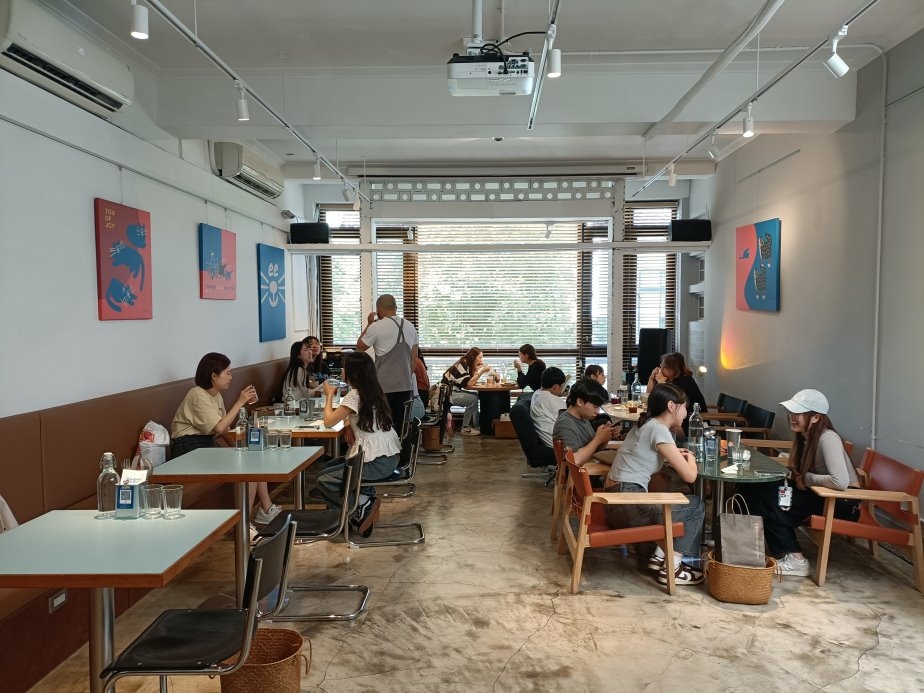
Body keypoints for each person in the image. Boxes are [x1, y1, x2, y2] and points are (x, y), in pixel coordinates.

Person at [737, 389, 860, 577]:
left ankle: (796, 560)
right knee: (755, 487)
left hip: (843, 502)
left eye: (799, 413)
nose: (792, 417)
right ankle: (746, 544)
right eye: (791, 412)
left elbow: (840, 482)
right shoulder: (805, 437)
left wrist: (806, 478)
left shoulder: (828, 438)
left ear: (816, 418)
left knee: (773, 500)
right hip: (820, 494)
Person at [603, 383, 706, 586]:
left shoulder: (645, 424)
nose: (686, 413)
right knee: (695, 505)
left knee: (676, 498)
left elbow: (647, 453)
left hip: (616, 502)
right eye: (684, 407)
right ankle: (672, 566)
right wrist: (692, 458)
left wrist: (675, 453)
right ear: (671, 406)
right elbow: (690, 477)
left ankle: (661, 555)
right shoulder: (659, 429)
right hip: (628, 504)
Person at [171, 352, 280, 527]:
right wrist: (240, 402)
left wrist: (240, 451)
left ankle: (266, 509)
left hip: (205, 446)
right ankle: (243, 525)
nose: (231, 377)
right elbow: (219, 428)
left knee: (252, 460)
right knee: (249, 468)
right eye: (227, 373)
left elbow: (226, 431)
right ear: (213, 376)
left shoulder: (216, 396)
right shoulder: (197, 394)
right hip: (188, 450)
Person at [316, 351, 403, 536]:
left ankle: (361, 506)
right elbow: (354, 415)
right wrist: (348, 424)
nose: (341, 371)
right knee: (328, 469)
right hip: (387, 458)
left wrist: (329, 395)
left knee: (324, 480)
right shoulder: (373, 391)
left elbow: (329, 421)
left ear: (353, 373)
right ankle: (359, 505)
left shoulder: (354, 395)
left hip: (376, 463)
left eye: (344, 368)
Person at [357, 294, 421, 436]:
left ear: (378, 310)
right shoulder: (411, 327)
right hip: (406, 386)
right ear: (395, 307)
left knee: (383, 428)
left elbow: (360, 347)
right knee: (402, 428)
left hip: (383, 387)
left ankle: (387, 451)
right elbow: (413, 359)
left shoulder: (376, 327)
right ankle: (401, 450)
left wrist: (369, 323)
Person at [551, 379, 618, 465]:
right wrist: (598, 439)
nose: (597, 411)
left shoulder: (583, 418)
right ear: (580, 402)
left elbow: (594, 451)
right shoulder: (565, 423)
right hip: (578, 472)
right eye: (595, 407)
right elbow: (574, 461)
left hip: (589, 467)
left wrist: (605, 437)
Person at [646, 352, 707, 434]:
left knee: (659, 421)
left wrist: (661, 384)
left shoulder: (684, 381)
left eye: (664, 367)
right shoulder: (670, 379)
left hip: (692, 421)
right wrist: (651, 379)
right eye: (661, 365)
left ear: (673, 369)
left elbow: (664, 402)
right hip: (679, 416)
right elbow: (649, 397)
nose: (661, 370)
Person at [442, 347, 491, 435]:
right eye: (479, 357)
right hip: (447, 394)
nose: (481, 360)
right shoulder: (462, 364)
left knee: (474, 396)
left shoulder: (466, 364)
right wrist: (481, 371)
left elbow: (468, 383)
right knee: (473, 399)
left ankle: (474, 426)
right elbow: (469, 383)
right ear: (473, 357)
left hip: (451, 391)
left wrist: (476, 369)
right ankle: (466, 428)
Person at [530, 367, 568, 448]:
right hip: (561, 446)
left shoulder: (537, 394)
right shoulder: (553, 400)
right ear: (555, 387)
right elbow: (569, 422)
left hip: (553, 441)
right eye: (562, 386)